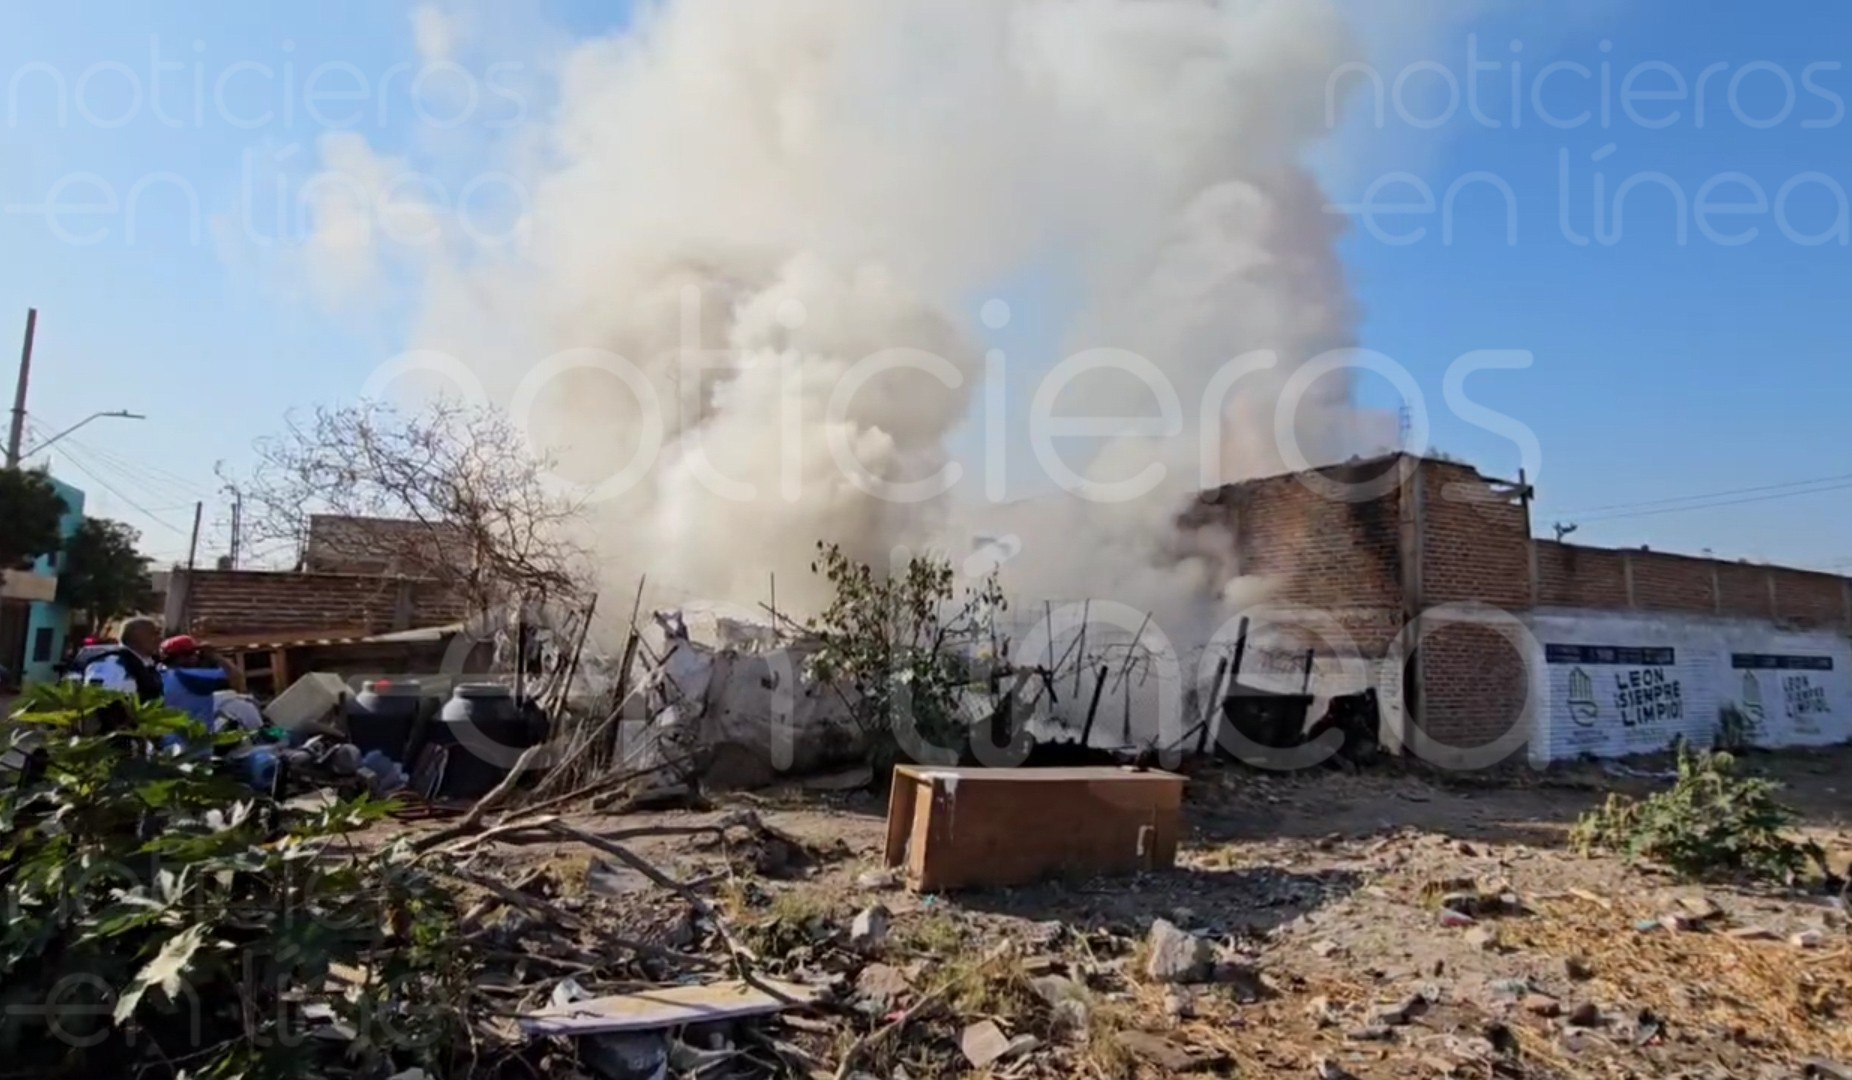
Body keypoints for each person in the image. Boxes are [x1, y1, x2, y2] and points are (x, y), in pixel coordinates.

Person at [157, 635, 248, 727]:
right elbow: (237, 679)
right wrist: (214, 655)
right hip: (192, 738)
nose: (195, 658)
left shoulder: (160, 675)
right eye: (191, 654)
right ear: (180, 657)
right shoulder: (186, 676)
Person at [81, 617, 166, 702]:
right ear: (136, 636)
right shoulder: (113, 665)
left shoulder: (146, 666)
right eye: (154, 633)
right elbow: (102, 701)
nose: (160, 639)